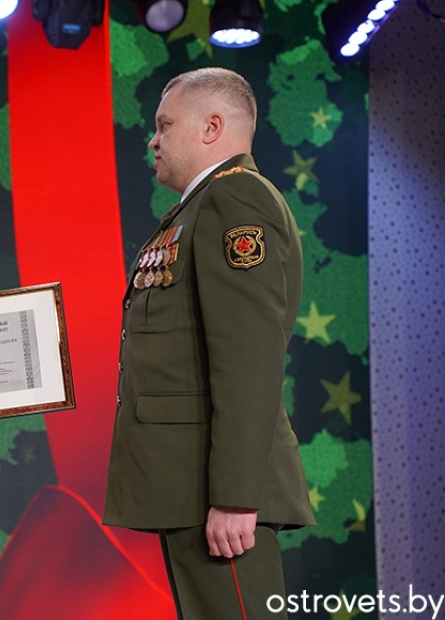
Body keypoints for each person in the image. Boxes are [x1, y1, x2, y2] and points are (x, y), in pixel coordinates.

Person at [102, 67, 316, 619]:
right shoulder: (197, 208)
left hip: (216, 492)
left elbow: (248, 358)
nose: (153, 140)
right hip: (190, 486)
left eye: (165, 124)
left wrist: (236, 496)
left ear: (211, 127)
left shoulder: (234, 199)